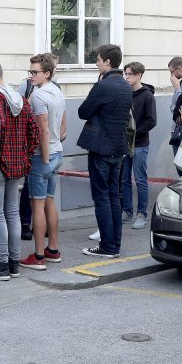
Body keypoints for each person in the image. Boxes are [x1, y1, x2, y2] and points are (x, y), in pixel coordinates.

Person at [0, 57, 39, 279]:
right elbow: (34, 130)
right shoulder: (18, 96)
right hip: (15, 164)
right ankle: (13, 263)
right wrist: (25, 154)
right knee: (12, 213)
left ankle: (1, 265)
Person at [77, 44, 132, 259]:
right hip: (118, 147)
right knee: (114, 197)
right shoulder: (126, 85)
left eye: (98, 60)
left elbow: (83, 112)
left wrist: (97, 88)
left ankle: (107, 246)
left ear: (108, 62)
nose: (97, 63)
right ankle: (114, 244)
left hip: (101, 147)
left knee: (101, 197)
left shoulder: (104, 85)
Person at [19, 54, 67, 271]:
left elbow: (42, 129)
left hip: (43, 155)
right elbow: (63, 125)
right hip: (57, 151)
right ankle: (53, 250)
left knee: (37, 204)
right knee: (49, 201)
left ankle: (38, 255)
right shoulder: (57, 90)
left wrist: (44, 157)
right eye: (30, 72)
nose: (31, 76)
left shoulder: (39, 96)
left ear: (47, 73)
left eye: (35, 72)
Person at [120, 61, 157, 231]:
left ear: (139, 76)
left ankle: (142, 213)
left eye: (129, 74)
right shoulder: (125, 92)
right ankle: (127, 211)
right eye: (125, 74)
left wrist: (135, 134)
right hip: (124, 144)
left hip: (140, 144)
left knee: (140, 179)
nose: (126, 77)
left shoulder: (147, 95)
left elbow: (151, 120)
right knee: (125, 179)